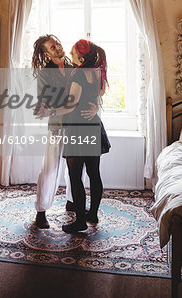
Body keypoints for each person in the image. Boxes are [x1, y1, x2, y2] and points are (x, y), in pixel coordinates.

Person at [37, 39, 108, 233]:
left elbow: (86, 96)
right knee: (50, 168)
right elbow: (44, 100)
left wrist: (94, 106)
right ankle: (41, 210)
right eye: (53, 47)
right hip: (59, 125)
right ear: (46, 55)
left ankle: (74, 206)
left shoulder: (75, 67)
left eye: (58, 44)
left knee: (76, 173)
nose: (59, 48)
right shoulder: (45, 73)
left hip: (76, 126)